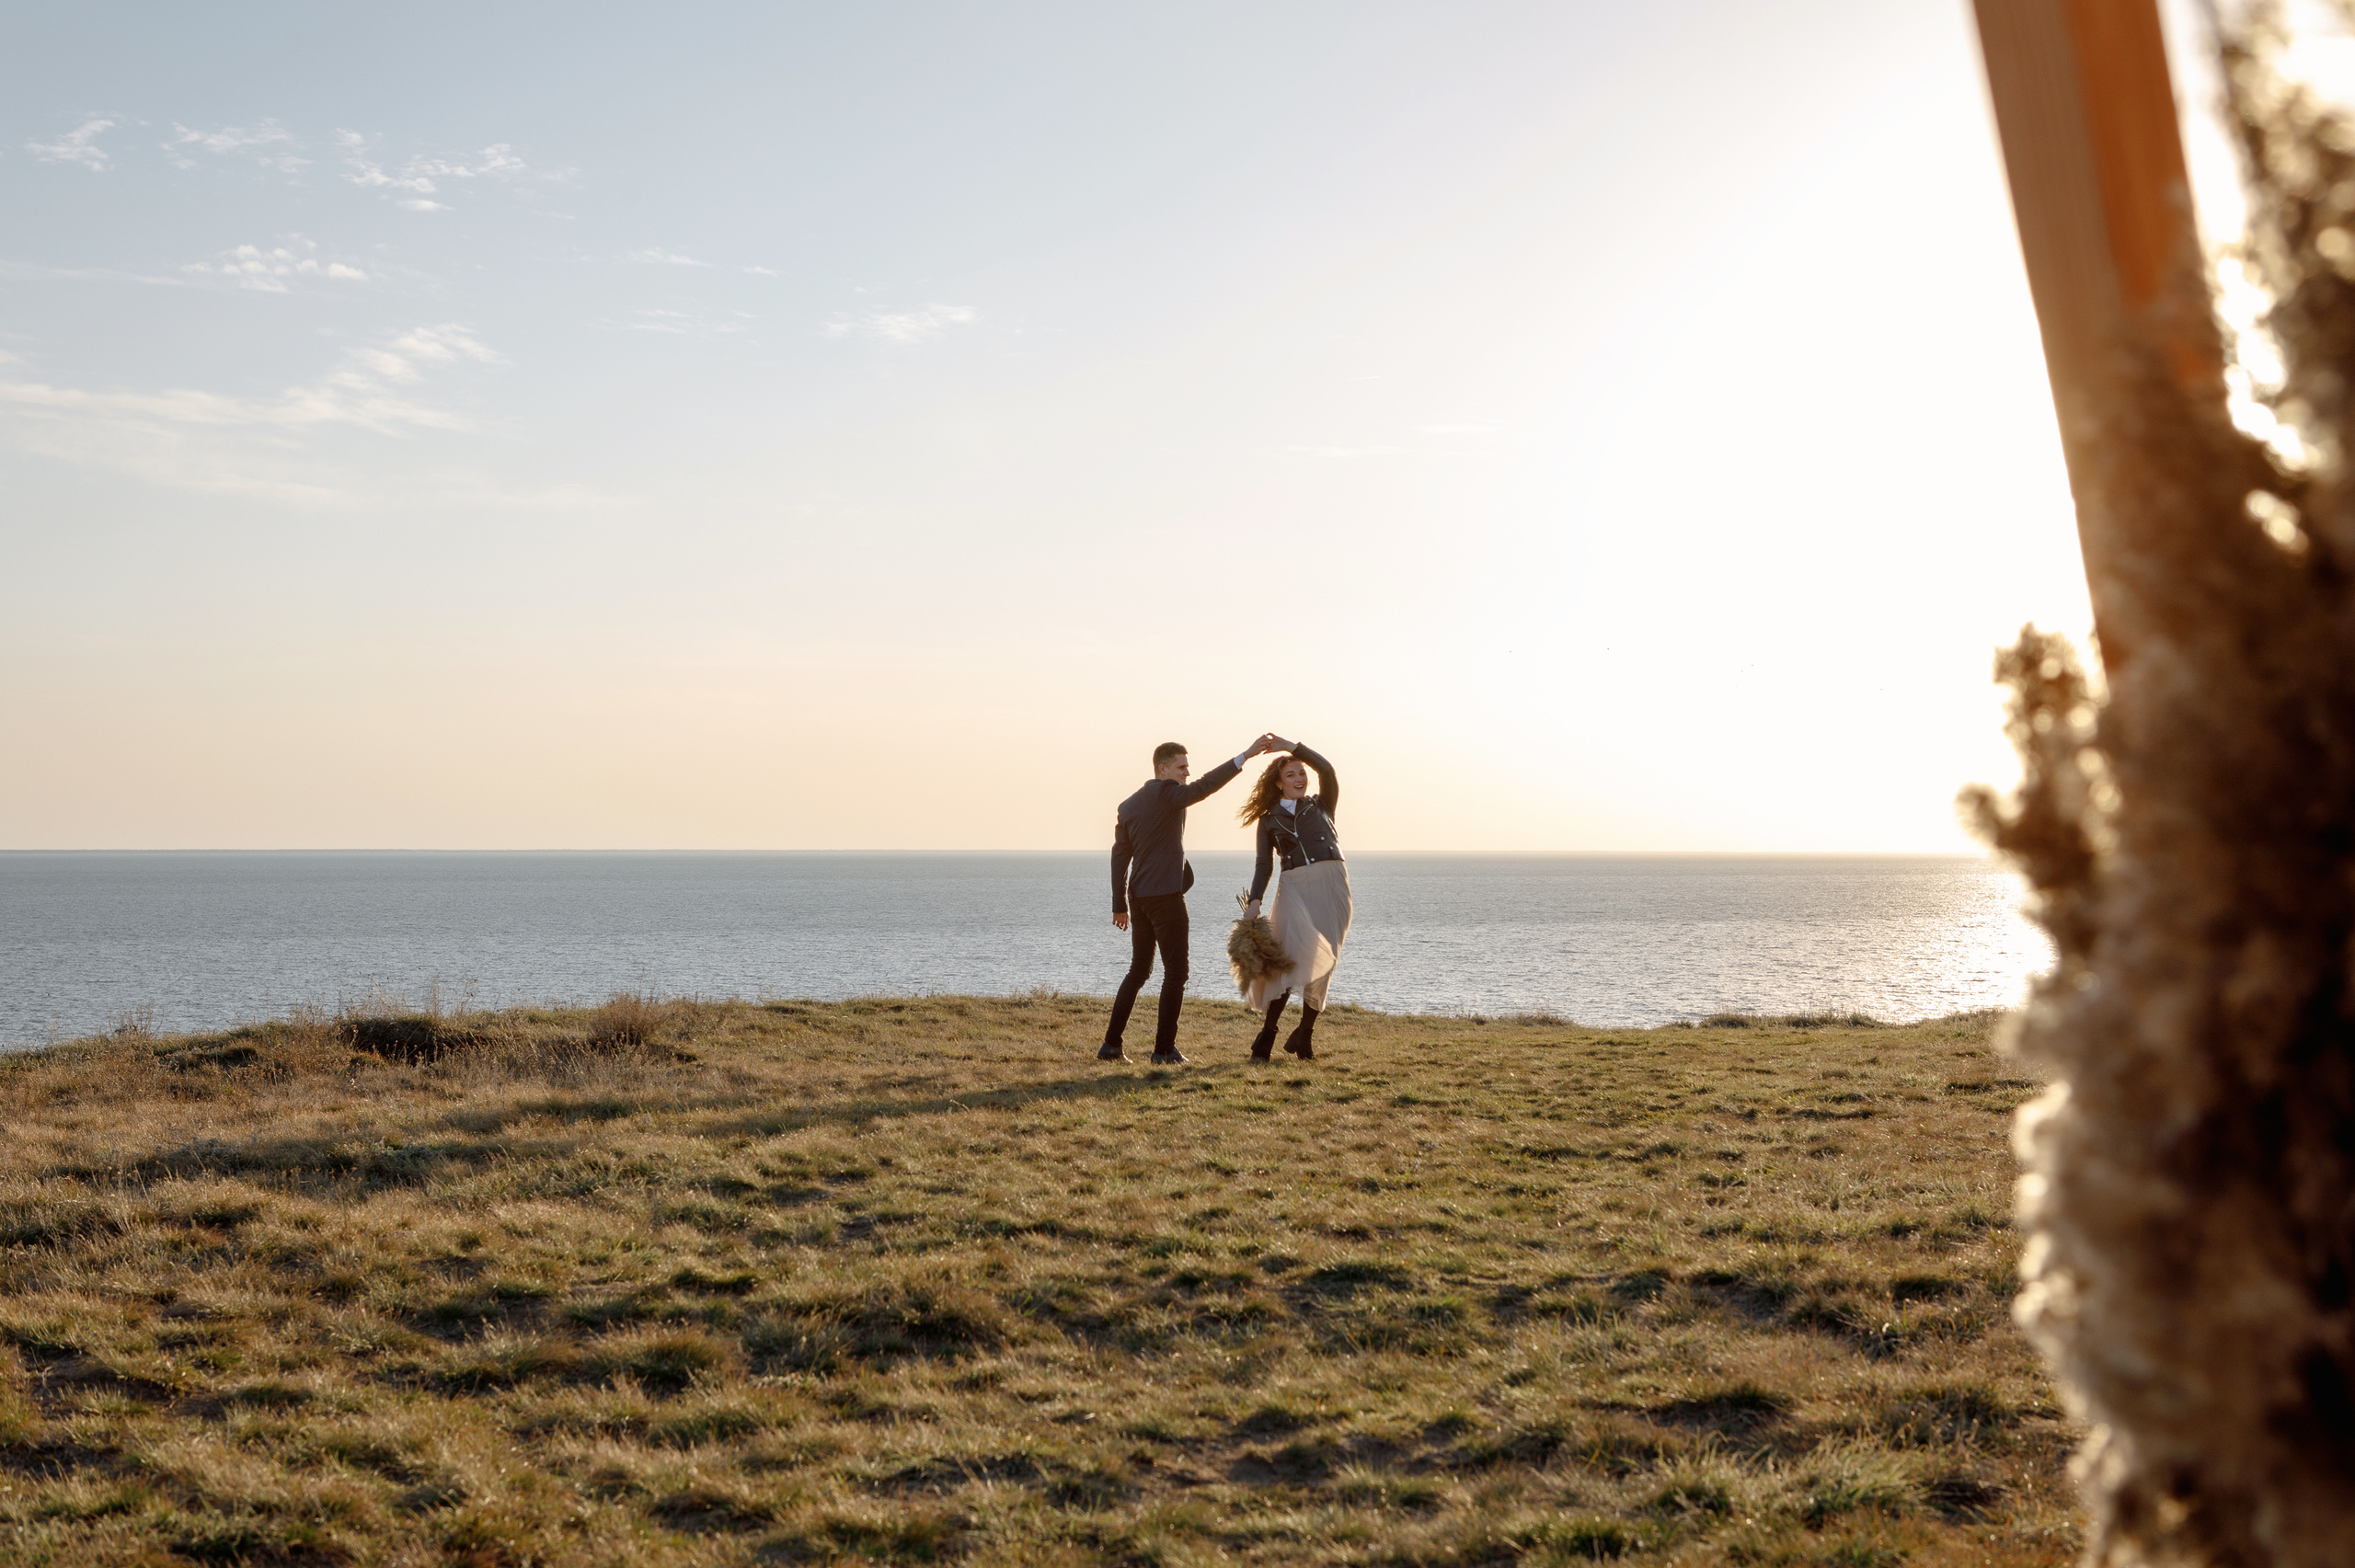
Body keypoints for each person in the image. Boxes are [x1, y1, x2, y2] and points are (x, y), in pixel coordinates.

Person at [1104, 734, 1280, 1063]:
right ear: (1162, 769)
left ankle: (1111, 1045)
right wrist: (1245, 756)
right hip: (1165, 897)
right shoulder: (1168, 793)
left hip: (1139, 897)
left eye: (1187, 767)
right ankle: (1163, 1051)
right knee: (1176, 973)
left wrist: (1119, 904)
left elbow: (1119, 858)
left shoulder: (1128, 805)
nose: (1187, 773)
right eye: (1181, 767)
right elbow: (1205, 786)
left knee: (1139, 970)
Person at [1238, 739, 1352, 1060]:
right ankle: (1268, 1033)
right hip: (1294, 887)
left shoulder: (1321, 805)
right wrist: (1255, 901)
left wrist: (1291, 746)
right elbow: (1264, 865)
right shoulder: (1268, 819)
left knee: (1324, 960)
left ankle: (1305, 1034)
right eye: (1291, 774)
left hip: (1332, 882)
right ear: (1279, 783)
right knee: (1287, 961)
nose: (1300, 778)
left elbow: (1326, 769)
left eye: (1302, 773)